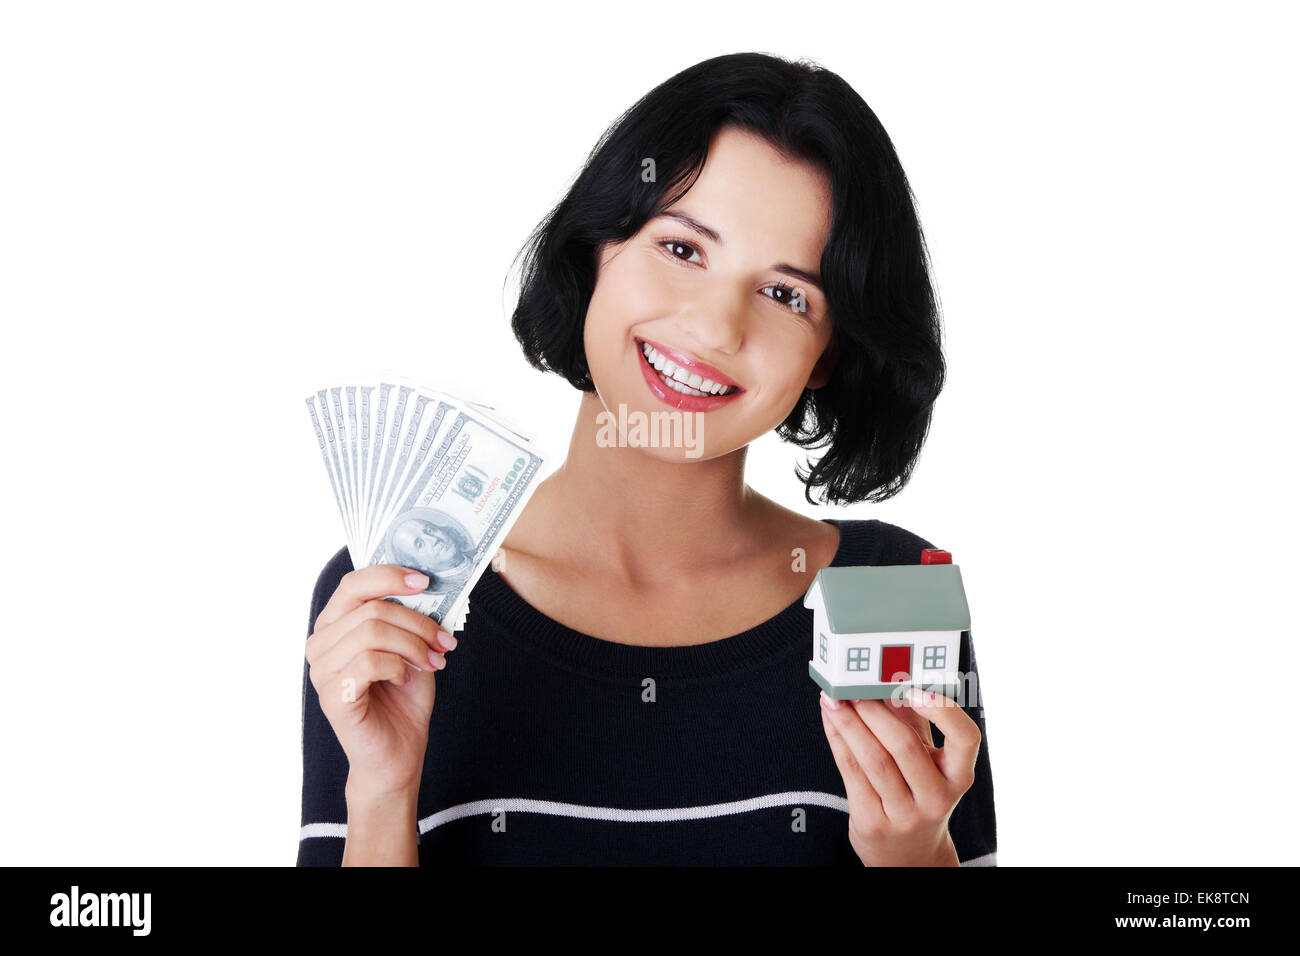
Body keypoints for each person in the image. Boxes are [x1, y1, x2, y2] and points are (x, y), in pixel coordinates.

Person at [298, 52, 997, 866]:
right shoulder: (400, 589)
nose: (714, 328)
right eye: (684, 249)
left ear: (827, 356)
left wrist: (915, 853)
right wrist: (380, 792)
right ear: (598, 244)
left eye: (785, 294)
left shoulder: (894, 594)